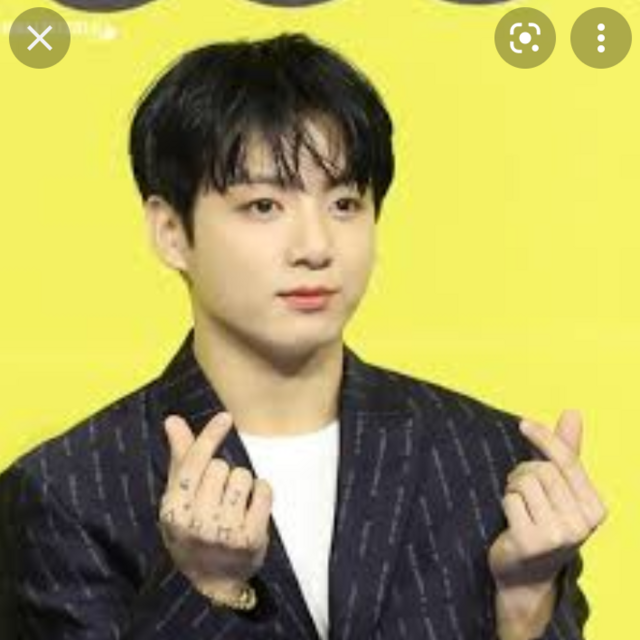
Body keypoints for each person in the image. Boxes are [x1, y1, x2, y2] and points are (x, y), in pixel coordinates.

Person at [0, 33, 606, 640]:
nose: (316, 247)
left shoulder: (487, 459)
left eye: (345, 204)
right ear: (171, 232)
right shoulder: (66, 493)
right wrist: (205, 591)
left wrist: (525, 607)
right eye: (264, 206)